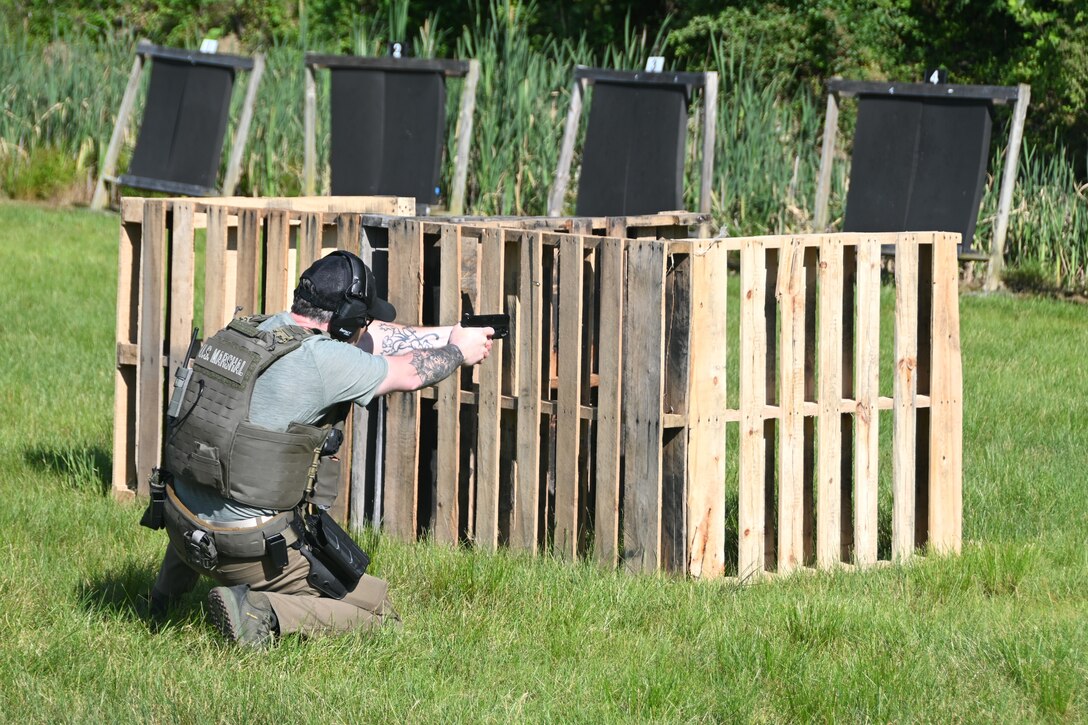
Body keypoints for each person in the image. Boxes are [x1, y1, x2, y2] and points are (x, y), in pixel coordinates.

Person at [145, 250, 494, 647]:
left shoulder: (248, 332)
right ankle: (258, 612)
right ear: (346, 323)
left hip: (178, 520)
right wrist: (457, 353)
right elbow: (409, 374)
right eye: (361, 321)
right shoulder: (323, 360)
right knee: (379, 613)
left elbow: (374, 339)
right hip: (242, 550)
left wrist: (453, 332)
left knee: (211, 473)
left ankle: (161, 602)